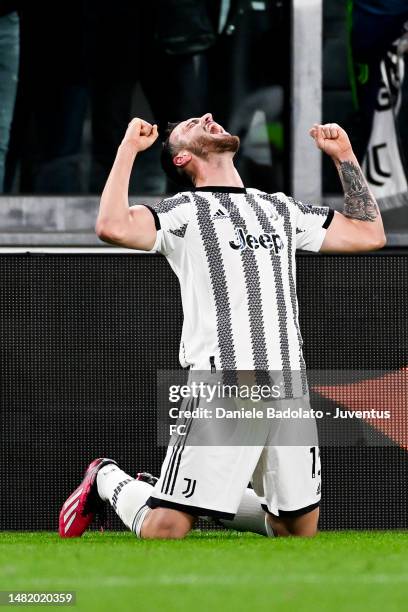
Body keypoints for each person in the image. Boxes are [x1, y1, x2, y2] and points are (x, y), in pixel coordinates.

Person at [59, 113, 386, 539]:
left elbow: (368, 234)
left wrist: (344, 156)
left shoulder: (279, 207)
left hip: (289, 383)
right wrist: (128, 150)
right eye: (193, 123)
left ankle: (175, 493)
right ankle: (106, 478)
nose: (208, 118)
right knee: (166, 529)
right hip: (224, 381)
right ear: (181, 159)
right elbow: (111, 226)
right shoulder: (183, 212)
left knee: (295, 531)